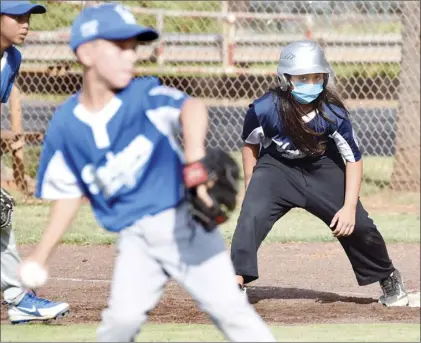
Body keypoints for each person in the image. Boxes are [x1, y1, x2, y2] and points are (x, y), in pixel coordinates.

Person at [18, 3, 276, 342]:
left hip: (187, 226)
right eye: (119, 47)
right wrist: (41, 254)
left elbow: (191, 108)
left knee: (233, 314)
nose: (130, 56)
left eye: (134, 48)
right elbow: (68, 196)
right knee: (119, 324)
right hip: (136, 239)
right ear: (86, 53)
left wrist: (194, 159)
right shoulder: (66, 126)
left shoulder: (143, 96)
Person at [230, 40, 409, 307]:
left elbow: (353, 160)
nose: (311, 83)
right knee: (251, 214)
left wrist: (349, 207)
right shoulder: (264, 108)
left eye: (317, 77)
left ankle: (388, 276)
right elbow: (251, 144)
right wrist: (251, 185)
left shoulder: (332, 113)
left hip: (322, 167)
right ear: (285, 78)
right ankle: (235, 282)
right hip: (277, 168)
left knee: (357, 224)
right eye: (302, 78)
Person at [0, 0, 70, 324]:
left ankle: (17, 298)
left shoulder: (12, 58)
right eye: (16, 16)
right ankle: (18, 297)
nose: (25, 23)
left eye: (27, 17)